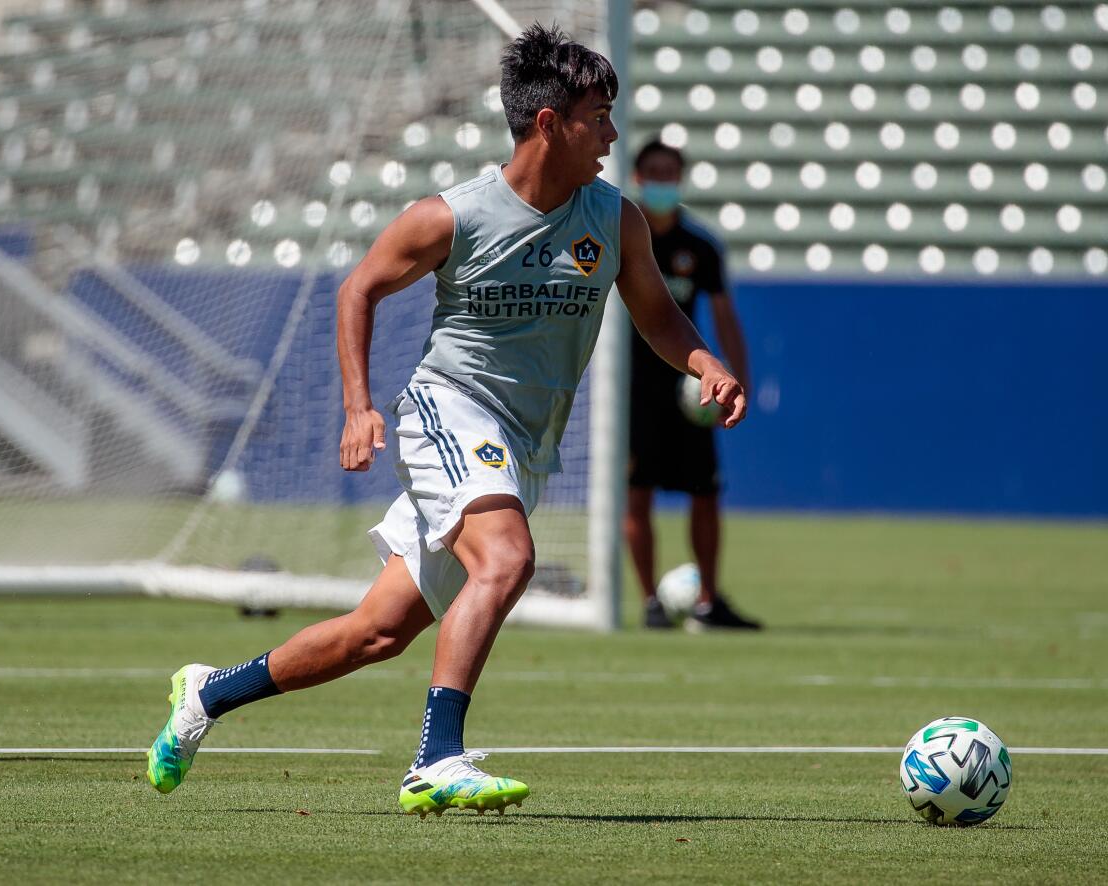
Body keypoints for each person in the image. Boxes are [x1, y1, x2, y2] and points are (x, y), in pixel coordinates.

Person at [145, 24, 746, 817]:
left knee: (377, 632)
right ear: (548, 124)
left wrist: (704, 361)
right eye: (598, 116)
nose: (610, 134)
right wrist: (359, 407)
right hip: (447, 412)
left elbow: (659, 317)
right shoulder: (450, 216)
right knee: (507, 559)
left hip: (520, 447)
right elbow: (356, 289)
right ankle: (436, 759)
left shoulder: (616, 218)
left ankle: (206, 695)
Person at [625, 139, 761, 631]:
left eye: (671, 173)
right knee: (635, 492)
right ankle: (650, 603)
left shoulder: (699, 247)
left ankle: (706, 601)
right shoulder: (620, 238)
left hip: (691, 391)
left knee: (705, 492)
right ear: (637, 178)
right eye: (653, 173)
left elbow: (725, 320)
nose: (663, 181)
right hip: (633, 393)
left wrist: (735, 380)